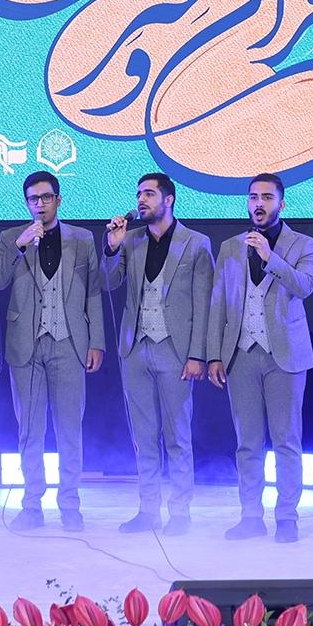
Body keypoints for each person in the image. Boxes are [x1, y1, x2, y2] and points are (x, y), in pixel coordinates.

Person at [205, 173, 313, 544]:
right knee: (247, 443)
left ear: (281, 203)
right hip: (241, 354)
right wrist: (214, 355)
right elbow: (218, 303)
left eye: (267, 197)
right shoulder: (230, 247)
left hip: (285, 356)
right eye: (253, 196)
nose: (258, 203)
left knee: (286, 441)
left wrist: (271, 257)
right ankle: (251, 516)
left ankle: (286, 518)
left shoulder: (304, 244)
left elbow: (304, 286)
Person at [0, 171, 104, 532]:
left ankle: (70, 504)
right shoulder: (11, 237)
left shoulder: (82, 239)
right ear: (26, 203)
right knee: (30, 429)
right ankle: (31, 504)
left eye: (46, 197)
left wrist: (96, 341)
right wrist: (19, 246)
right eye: (33, 199)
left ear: (58, 200)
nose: (39, 204)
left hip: (70, 342)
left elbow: (94, 293)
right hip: (25, 344)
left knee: (69, 428)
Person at [101, 172, 214, 534]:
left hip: (176, 351)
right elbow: (109, 282)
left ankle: (180, 513)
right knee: (144, 436)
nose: (141, 200)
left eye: (149, 194)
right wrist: (112, 248)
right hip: (135, 349)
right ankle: (148, 510)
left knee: (177, 435)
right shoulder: (131, 241)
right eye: (139, 194)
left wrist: (198, 355)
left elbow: (204, 304)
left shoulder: (196, 244)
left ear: (169, 199)